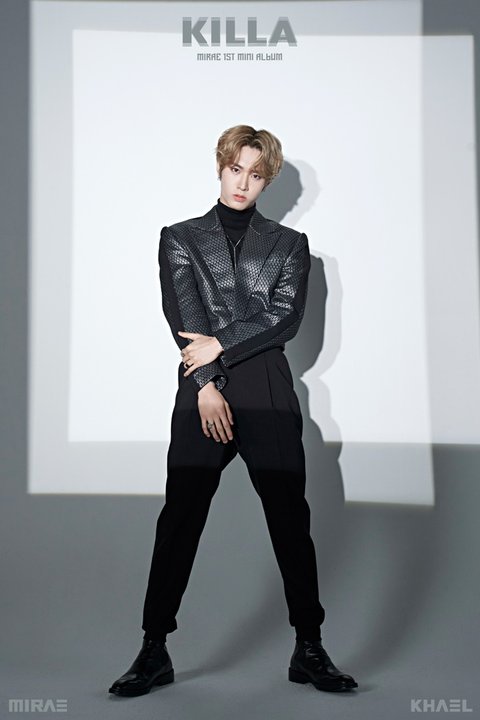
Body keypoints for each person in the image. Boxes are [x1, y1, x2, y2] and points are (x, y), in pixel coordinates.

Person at [108, 125, 358, 697]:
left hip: (266, 387)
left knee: (289, 520)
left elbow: (285, 317)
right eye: (235, 169)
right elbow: (185, 317)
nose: (243, 182)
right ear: (220, 168)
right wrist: (207, 384)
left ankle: (309, 648)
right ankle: (153, 649)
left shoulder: (290, 244)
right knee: (180, 518)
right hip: (202, 389)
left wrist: (220, 344)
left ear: (268, 181)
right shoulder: (180, 238)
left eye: (256, 174)